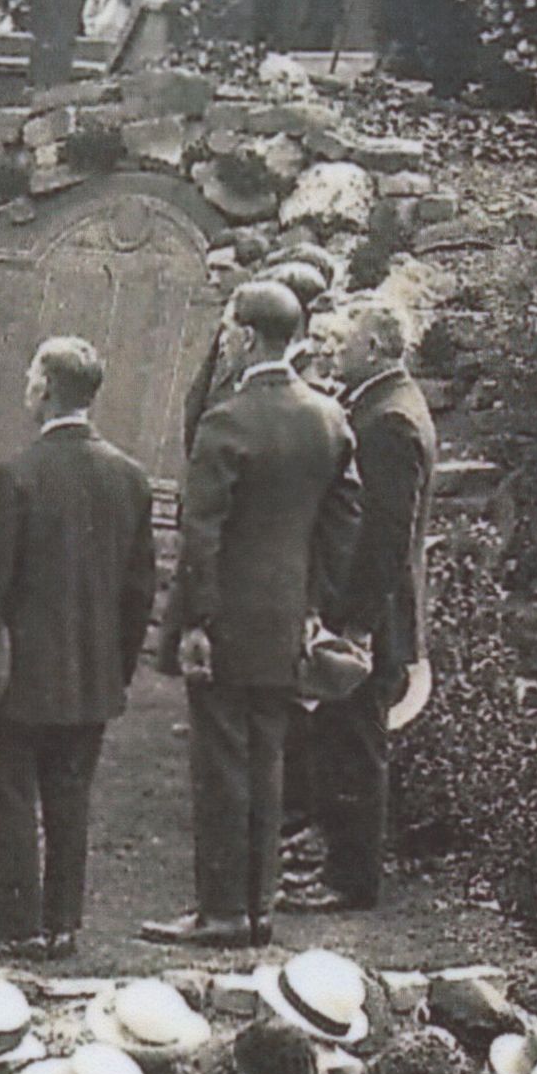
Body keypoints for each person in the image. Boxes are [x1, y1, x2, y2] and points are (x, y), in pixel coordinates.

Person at [146, 281, 359, 950]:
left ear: (243, 336)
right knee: (267, 759)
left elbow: (201, 534)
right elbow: (345, 520)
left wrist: (196, 622)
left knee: (221, 765)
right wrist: (314, 605)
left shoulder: (228, 420)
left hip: (229, 620)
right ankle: (259, 908)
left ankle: (220, 912)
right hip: (288, 616)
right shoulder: (328, 418)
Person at [0, 335, 156, 964]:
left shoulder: (17, 476)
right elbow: (140, 589)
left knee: (4, 799)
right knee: (69, 799)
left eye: (30, 377)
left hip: (21, 679)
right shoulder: (130, 476)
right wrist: (115, 666)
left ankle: (16, 929)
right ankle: (62, 926)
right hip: (91, 676)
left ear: (43, 390)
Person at [298, 298, 433, 918]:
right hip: (365, 611)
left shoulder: (389, 421)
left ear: (375, 349)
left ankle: (351, 882)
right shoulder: (384, 404)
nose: (334, 350)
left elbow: (384, 538)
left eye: (346, 342)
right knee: (340, 738)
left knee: (356, 744)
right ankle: (335, 863)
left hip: (369, 618)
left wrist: (352, 624)